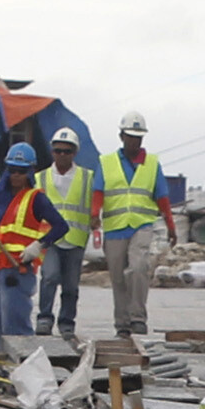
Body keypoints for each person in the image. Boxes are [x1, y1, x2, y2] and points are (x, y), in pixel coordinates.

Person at [95, 113, 177, 339]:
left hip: (141, 225)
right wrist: (94, 214)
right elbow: (98, 191)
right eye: (130, 136)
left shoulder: (152, 164)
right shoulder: (107, 163)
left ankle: (138, 317)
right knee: (118, 277)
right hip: (115, 227)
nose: (134, 141)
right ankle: (122, 323)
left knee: (139, 267)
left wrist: (171, 226)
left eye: (138, 137)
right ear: (121, 136)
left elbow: (162, 198)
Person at [0, 141, 70, 347]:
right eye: (12, 170)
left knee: (16, 330)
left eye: (21, 171)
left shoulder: (36, 198)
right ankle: (4, 370)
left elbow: (61, 226)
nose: (16, 175)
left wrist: (39, 245)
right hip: (0, 269)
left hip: (19, 270)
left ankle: (26, 370)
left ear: (29, 172)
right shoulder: (3, 198)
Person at [33, 128, 95, 339]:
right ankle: (44, 318)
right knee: (49, 277)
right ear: (52, 152)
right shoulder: (40, 178)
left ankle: (67, 322)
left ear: (74, 153)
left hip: (75, 239)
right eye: (58, 150)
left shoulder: (88, 178)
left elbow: (94, 206)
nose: (62, 155)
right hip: (50, 239)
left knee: (70, 285)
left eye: (67, 151)